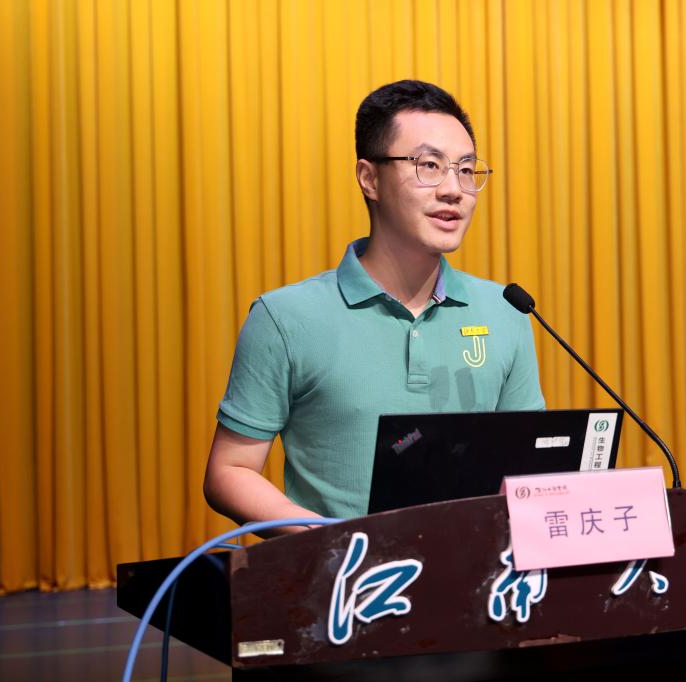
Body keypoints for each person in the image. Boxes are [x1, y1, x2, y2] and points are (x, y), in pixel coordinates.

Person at [203, 80, 545, 532]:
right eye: (429, 165)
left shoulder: (505, 312)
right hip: (343, 571)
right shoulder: (285, 318)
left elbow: (528, 469)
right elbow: (230, 470)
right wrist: (330, 541)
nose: (454, 190)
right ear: (369, 179)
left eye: (466, 170)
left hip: (475, 570)